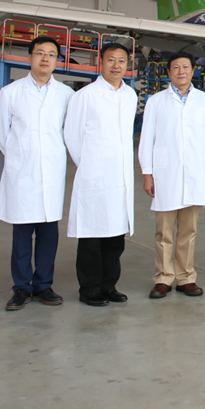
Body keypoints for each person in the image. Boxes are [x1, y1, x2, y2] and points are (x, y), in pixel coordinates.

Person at [0, 35, 74, 311]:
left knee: (49, 233)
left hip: (52, 171)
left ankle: (43, 285)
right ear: (29, 57)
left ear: (57, 61)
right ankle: (22, 287)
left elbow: (70, 131)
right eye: (40, 53)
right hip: (22, 173)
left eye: (51, 54)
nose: (45, 58)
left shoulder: (66, 94)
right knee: (22, 234)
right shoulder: (11, 92)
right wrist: (18, 154)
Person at [139, 52, 205, 299]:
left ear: (192, 71)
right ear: (169, 72)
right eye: (176, 67)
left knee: (188, 231)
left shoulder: (203, 100)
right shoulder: (156, 101)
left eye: (185, 67)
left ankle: (186, 277)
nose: (181, 71)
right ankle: (163, 278)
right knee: (164, 232)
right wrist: (148, 173)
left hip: (195, 173)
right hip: (166, 174)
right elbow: (147, 139)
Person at [64, 42, 139, 306]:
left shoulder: (130, 95)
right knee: (91, 237)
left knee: (115, 237)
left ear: (127, 65)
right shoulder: (85, 96)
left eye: (122, 60)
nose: (116, 65)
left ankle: (109, 286)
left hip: (120, 177)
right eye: (111, 60)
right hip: (93, 177)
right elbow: (72, 135)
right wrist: (89, 164)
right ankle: (89, 288)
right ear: (101, 62)